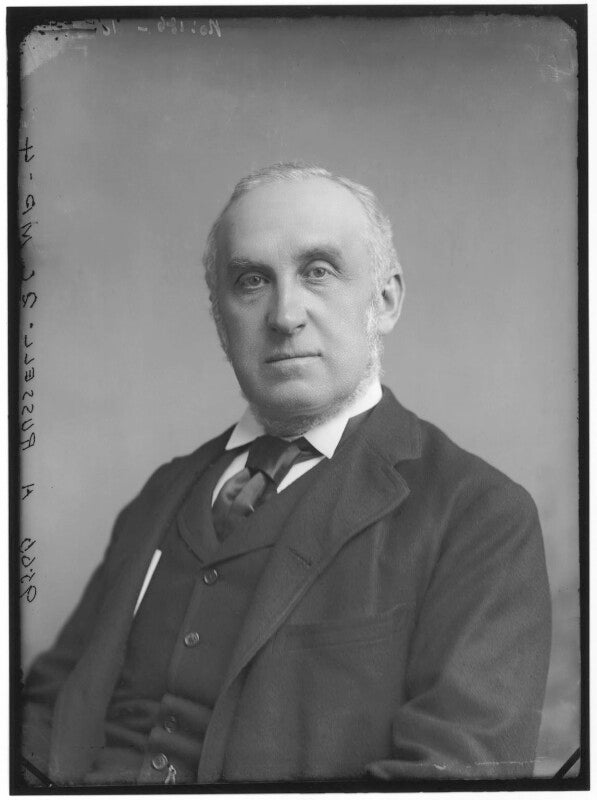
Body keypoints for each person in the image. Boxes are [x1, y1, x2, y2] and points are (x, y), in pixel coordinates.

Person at [22, 163, 551, 786]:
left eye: (318, 271)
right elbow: (49, 707)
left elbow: (452, 780)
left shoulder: (478, 515)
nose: (284, 314)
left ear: (384, 301)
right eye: (251, 281)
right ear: (220, 321)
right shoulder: (164, 491)